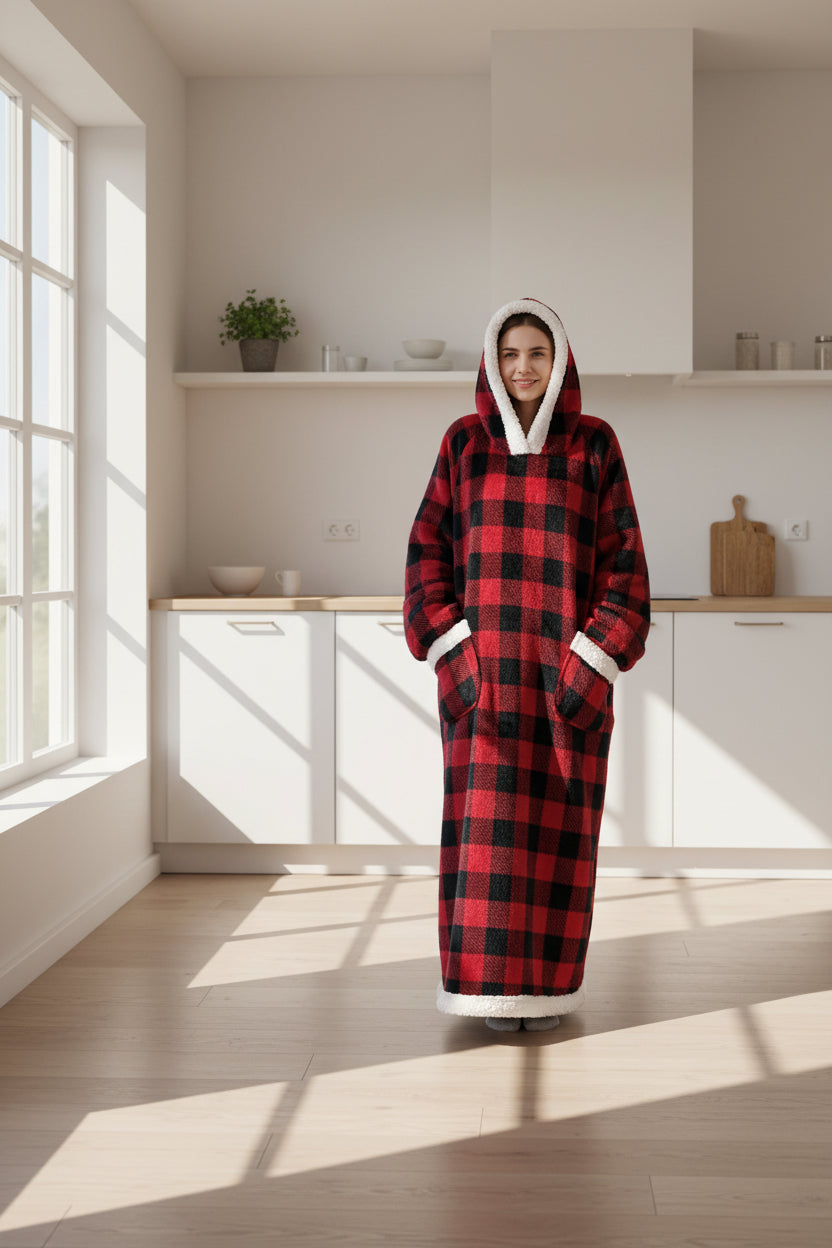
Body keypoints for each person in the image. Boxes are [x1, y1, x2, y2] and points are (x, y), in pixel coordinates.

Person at [403, 298, 650, 1033]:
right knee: (483, 845)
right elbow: (424, 557)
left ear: (560, 360)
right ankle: (483, 991)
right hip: (484, 686)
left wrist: (591, 664)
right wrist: (454, 656)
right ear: (491, 361)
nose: (522, 367)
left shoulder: (596, 446)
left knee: (560, 842)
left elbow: (627, 566)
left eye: (536, 354)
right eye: (509, 354)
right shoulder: (462, 446)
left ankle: (545, 993)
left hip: (565, 686)